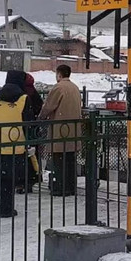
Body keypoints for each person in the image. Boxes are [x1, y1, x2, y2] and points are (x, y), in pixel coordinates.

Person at [39, 64, 84, 196]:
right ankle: (71, 187)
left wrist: (41, 117)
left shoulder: (58, 87)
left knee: (59, 160)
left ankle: (60, 188)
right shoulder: (75, 88)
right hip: (73, 129)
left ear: (59, 74)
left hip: (60, 129)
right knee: (70, 159)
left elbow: (48, 106)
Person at [0, 70, 27, 218]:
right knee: (9, 179)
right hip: (15, 146)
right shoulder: (23, 98)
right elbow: (28, 122)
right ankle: (6, 209)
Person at [20, 73, 44, 193]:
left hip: (24, 128)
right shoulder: (33, 92)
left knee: (25, 154)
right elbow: (40, 106)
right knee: (32, 154)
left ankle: (24, 182)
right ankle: (34, 177)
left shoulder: (22, 93)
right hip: (33, 127)